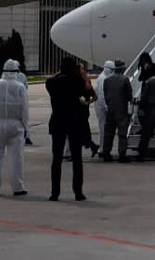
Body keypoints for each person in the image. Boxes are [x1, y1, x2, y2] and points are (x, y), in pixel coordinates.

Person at [46, 58, 88, 201]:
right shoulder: (79, 82)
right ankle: (78, 192)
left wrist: (60, 73)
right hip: (75, 122)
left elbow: (51, 79)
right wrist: (82, 77)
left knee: (56, 159)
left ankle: (55, 193)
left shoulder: (52, 83)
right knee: (77, 159)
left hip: (58, 122)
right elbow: (90, 98)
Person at [0, 59, 29, 197]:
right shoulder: (20, 86)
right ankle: (18, 187)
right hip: (15, 124)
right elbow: (25, 109)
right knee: (16, 158)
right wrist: (25, 125)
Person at [102, 60, 133, 163]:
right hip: (122, 110)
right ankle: (122, 155)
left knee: (108, 133)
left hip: (110, 109)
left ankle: (106, 153)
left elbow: (106, 95)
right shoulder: (125, 79)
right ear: (122, 69)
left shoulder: (107, 80)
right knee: (122, 134)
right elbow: (129, 95)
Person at [94, 60, 116, 152]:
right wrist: (106, 106)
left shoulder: (104, 77)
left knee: (104, 128)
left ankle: (103, 147)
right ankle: (102, 148)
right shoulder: (103, 79)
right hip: (102, 107)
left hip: (101, 106)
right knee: (103, 128)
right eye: (111, 70)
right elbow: (102, 95)